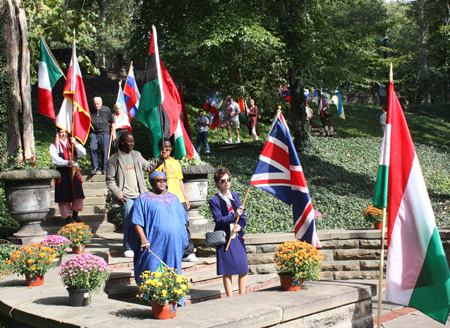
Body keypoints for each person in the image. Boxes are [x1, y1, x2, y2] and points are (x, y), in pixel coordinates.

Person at [125, 171, 188, 305]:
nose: (162, 182)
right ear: (152, 182)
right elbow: (136, 221)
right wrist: (143, 238)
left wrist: (184, 238)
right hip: (154, 243)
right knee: (153, 268)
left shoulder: (174, 198)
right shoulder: (143, 198)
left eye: (164, 180)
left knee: (173, 270)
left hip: (174, 243)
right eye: (158, 180)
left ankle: (173, 298)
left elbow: (183, 219)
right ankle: (156, 300)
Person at [106, 132, 164, 258]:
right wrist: (118, 194)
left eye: (133, 141)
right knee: (129, 222)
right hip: (125, 197)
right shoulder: (114, 159)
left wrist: (160, 158)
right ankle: (128, 247)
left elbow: (148, 167)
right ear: (122, 142)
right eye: (129, 141)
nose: (132, 144)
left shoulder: (136, 155)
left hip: (140, 195)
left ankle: (142, 243)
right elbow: (110, 180)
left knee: (143, 221)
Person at [153, 139, 198, 262]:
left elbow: (180, 181)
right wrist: (161, 174)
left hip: (179, 199)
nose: (167, 149)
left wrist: (186, 198)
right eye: (164, 147)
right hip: (165, 201)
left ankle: (188, 252)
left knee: (184, 225)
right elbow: (153, 182)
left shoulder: (175, 163)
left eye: (168, 147)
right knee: (167, 227)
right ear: (159, 148)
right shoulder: (156, 164)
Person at [209, 167, 248, 297]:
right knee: (227, 270)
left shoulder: (235, 195)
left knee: (243, 267)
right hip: (224, 237)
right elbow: (219, 220)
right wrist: (233, 216)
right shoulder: (214, 200)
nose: (226, 182)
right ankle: (229, 297)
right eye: (223, 180)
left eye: (228, 179)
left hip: (236, 236)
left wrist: (240, 226)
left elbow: (243, 217)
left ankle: (243, 295)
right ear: (217, 183)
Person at [50, 129, 86, 224]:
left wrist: (76, 144)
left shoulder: (72, 143)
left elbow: (83, 153)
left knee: (77, 193)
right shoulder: (54, 145)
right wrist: (67, 162)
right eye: (61, 132)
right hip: (63, 172)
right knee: (64, 195)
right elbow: (55, 160)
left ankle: (75, 213)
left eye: (65, 132)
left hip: (74, 171)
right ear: (58, 133)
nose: (63, 134)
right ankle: (67, 216)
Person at [90, 97, 115, 175]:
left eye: (97, 104)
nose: (96, 105)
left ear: (101, 103)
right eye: (95, 104)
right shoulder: (91, 110)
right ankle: (95, 166)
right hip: (94, 133)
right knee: (92, 147)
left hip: (105, 133)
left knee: (104, 150)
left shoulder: (106, 110)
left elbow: (112, 122)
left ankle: (104, 168)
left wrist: (113, 132)